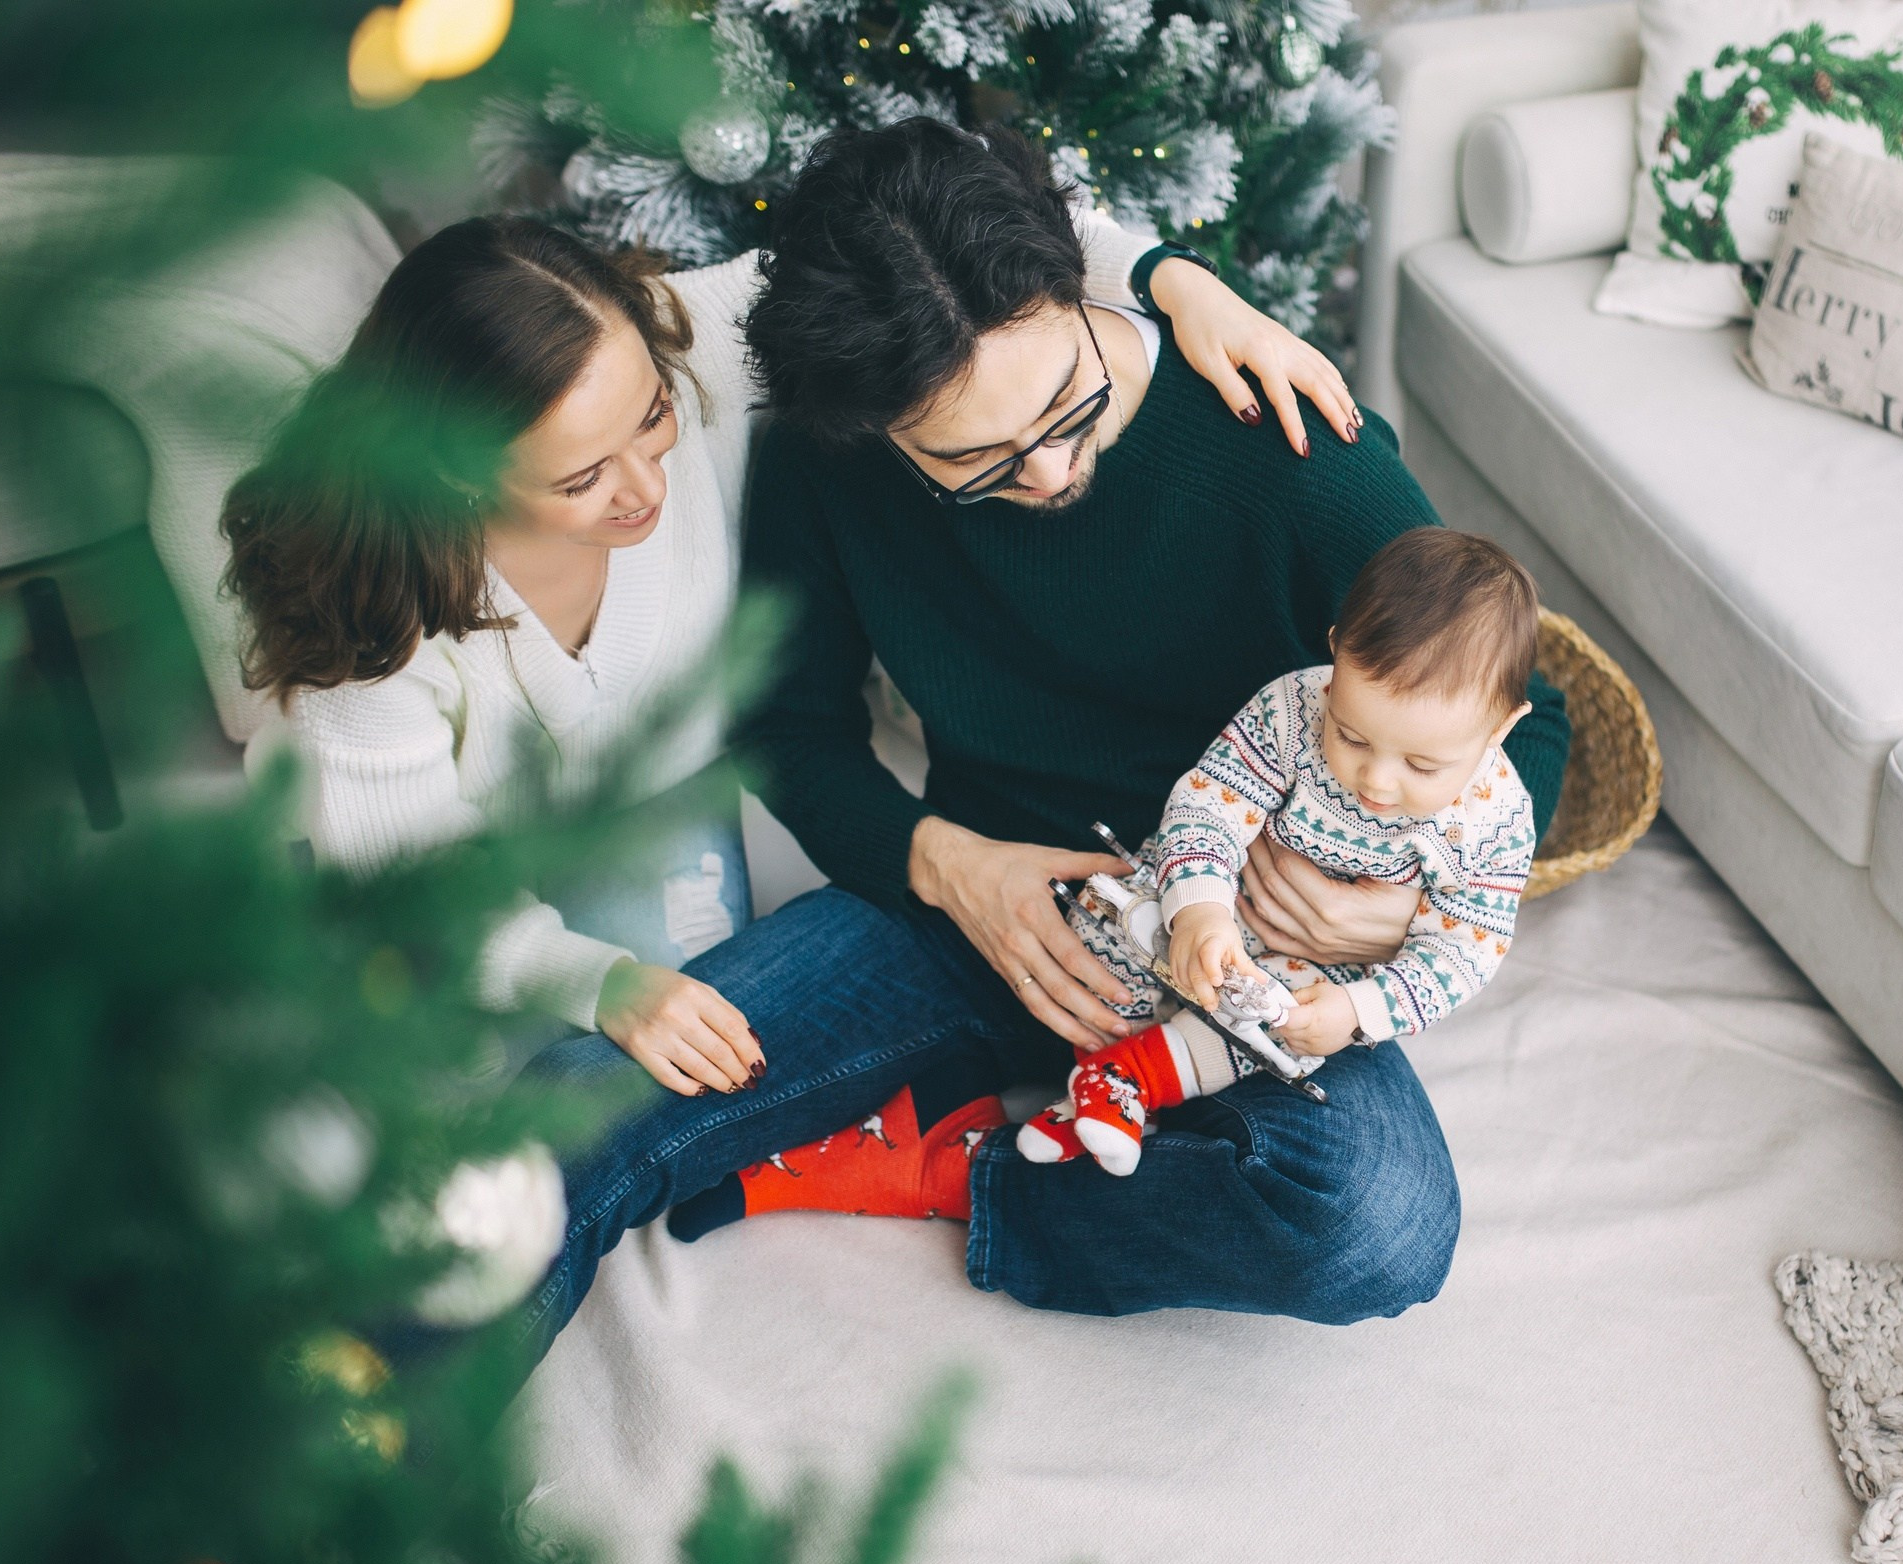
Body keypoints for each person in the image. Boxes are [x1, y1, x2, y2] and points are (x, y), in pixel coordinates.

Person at [215, 201, 1358, 1338]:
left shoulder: (699, 344)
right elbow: (418, 881)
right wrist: (590, 979)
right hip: (438, 868)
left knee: (702, 1055)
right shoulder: (366, 610)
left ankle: (947, 1174)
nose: (645, 488)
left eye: (652, 420)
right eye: (580, 481)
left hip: (652, 809)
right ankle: (348, 1437)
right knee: (493, 1109)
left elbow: (948, 232)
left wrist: (1181, 285)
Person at [597, 117, 1573, 1336]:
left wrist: (1389, 910)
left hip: (1243, 960)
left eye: (1069, 404)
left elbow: (1530, 726)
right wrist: (945, 863)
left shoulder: (1283, 436)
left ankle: (961, 1173)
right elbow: (787, 729)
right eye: (977, 462)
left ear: (1076, 286)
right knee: (587, 1107)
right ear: (874, 432)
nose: (1052, 476)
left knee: (1374, 1224)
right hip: (973, 898)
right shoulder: (826, 453)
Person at [1012, 526, 1542, 1175]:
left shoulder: (1496, 823)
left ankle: (1129, 1083)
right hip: (1221, 892)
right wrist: (1201, 910)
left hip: (1316, 968)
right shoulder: (1293, 707)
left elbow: (1464, 951)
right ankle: (1092, 1072)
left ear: (1503, 728)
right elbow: (1211, 801)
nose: (1376, 781)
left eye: (1423, 766)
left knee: (1274, 1036)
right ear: (1336, 655)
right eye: (1350, 735)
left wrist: (1357, 1012)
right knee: (1110, 924)